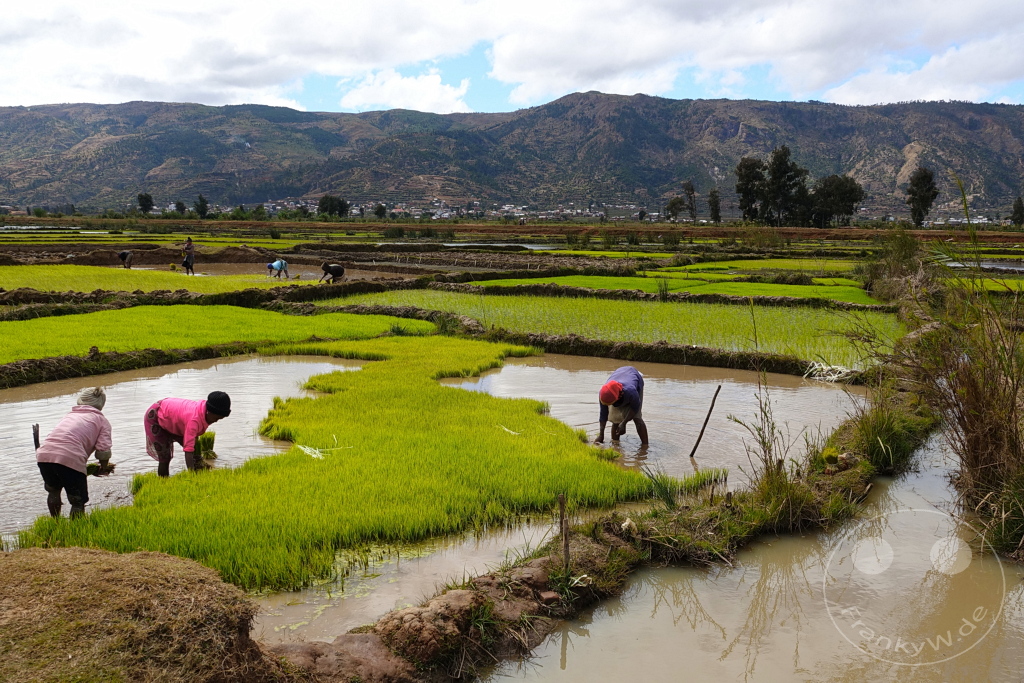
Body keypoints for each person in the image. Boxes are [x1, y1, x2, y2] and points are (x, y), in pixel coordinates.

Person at [35, 387, 113, 518]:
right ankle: (76, 533)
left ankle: (55, 523)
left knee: (53, 491)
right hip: (69, 458)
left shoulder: (69, 416)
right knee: (78, 501)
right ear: (101, 404)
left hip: (44, 455)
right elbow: (103, 450)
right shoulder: (102, 421)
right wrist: (104, 467)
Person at [145, 391, 231, 477]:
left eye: (220, 419)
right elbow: (188, 450)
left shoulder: (205, 411)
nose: (216, 421)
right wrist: (191, 475)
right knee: (165, 458)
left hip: (173, 417)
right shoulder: (194, 420)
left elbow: (193, 439)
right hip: (156, 417)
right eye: (216, 418)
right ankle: (163, 482)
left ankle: (199, 469)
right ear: (209, 411)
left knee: (195, 447)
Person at [595, 366, 649, 445]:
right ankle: (615, 445)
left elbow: (635, 408)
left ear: (618, 397)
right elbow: (603, 414)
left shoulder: (631, 391)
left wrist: (624, 423)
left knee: (637, 418)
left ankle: (645, 446)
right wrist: (601, 435)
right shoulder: (604, 393)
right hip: (620, 375)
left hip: (634, 378)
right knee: (615, 419)